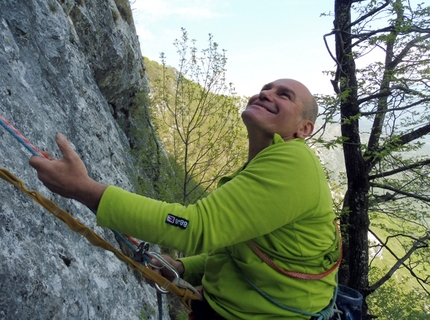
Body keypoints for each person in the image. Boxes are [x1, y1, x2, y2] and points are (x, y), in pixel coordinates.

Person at [30, 79, 340, 319]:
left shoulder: (293, 162)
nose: (266, 93)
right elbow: (243, 248)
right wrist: (183, 266)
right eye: (265, 89)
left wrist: (84, 189)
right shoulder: (268, 164)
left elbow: (194, 226)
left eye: (283, 95)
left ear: (304, 128)